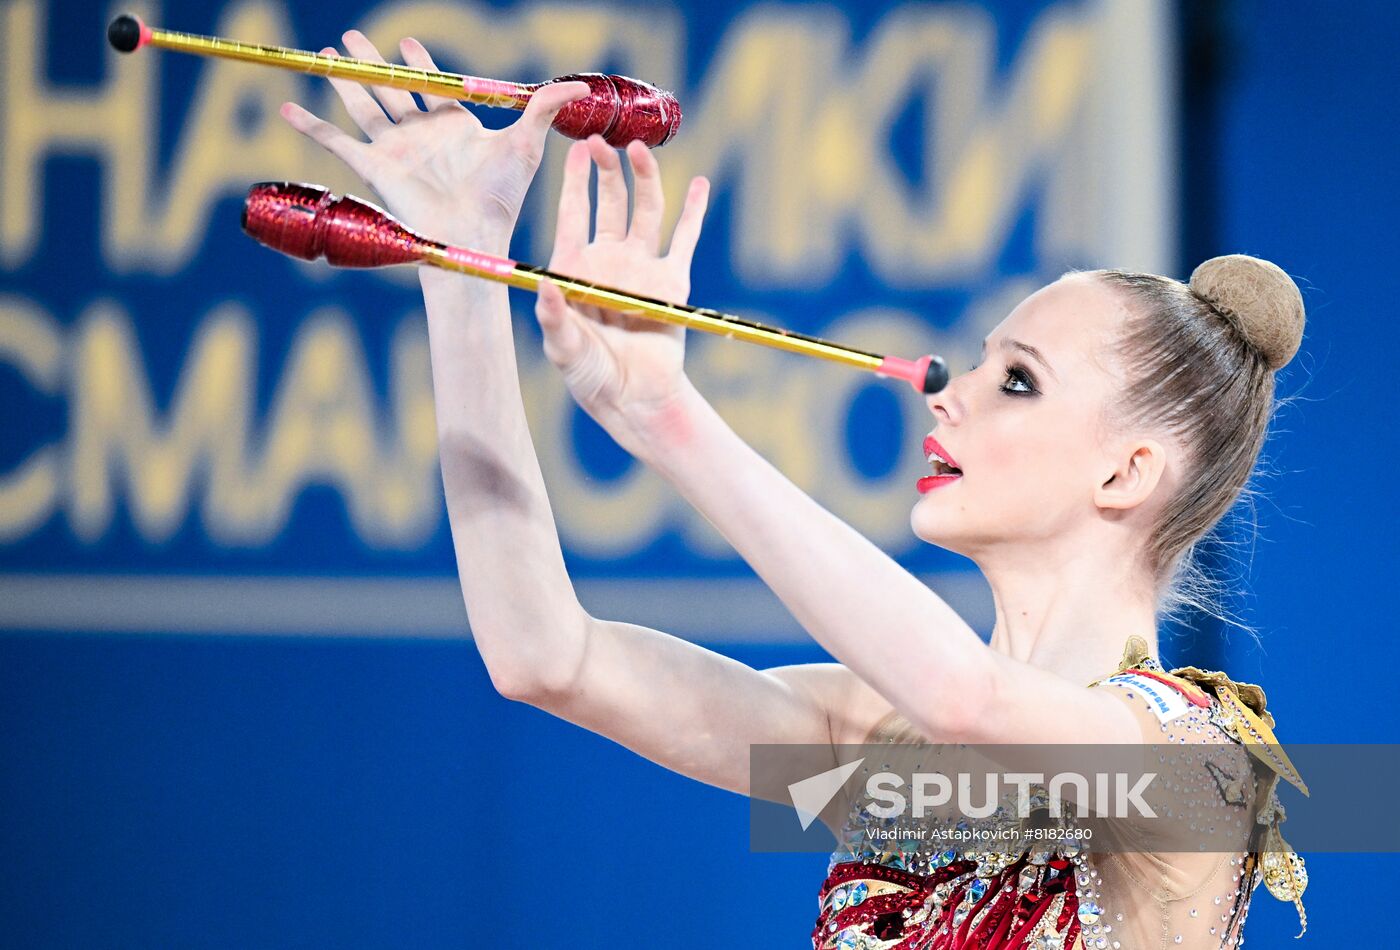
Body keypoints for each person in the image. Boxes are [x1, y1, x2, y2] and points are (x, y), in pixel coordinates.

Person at [282, 33, 1311, 949]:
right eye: (981, 361)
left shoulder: (1193, 766)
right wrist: (459, 271)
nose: (950, 397)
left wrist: (665, 416)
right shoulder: (874, 741)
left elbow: (965, 694)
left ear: (1126, 471)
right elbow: (545, 655)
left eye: (1018, 380)